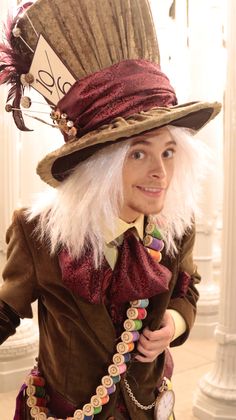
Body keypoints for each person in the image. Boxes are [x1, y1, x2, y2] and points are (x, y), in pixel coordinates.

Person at [0, 1, 221, 419]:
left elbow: (186, 289)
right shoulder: (38, 232)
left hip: (149, 406)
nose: (160, 172)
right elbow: (5, 310)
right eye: (138, 154)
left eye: (169, 151)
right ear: (97, 166)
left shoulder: (175, 225)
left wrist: (175, 322)